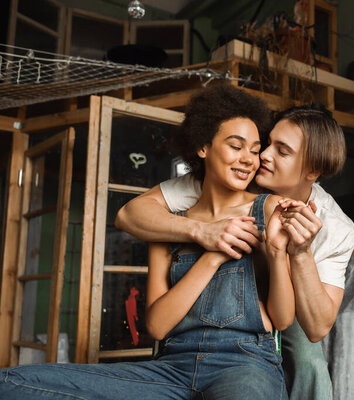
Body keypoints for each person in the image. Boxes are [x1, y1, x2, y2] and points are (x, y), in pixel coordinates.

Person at [0, 84, 295, 399]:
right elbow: (157, 326)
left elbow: (282, 318)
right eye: (236, 146)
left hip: (245, 364)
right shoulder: (169, 225)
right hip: (170, 370)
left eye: (254, 149)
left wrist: (278, 253)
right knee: (10, 383)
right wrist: (212, 255)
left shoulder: (268, 209)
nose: (249, 160)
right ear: (203, 147)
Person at [114, 100, 354, 399]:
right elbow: (128, 215)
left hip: (284, 303)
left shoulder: (336, 227)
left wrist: (299, 253)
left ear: (313, 170)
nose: (262, 157)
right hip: (196, 323)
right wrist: (203, 231)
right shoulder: (233, 175)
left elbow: (317, 326)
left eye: (281, 151)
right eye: (264, 145)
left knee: (310, 362)